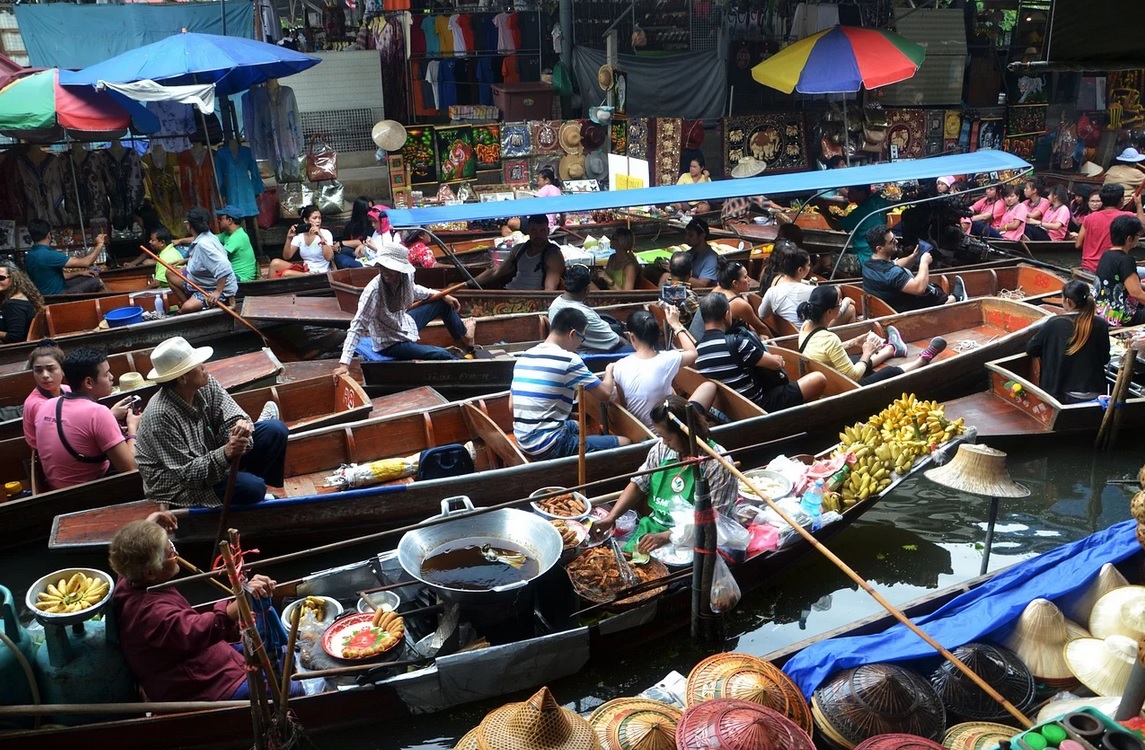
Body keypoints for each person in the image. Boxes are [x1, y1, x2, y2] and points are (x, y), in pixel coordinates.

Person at [109, 513, 295, 702]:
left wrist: (150, 525)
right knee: (291, 691)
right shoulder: (151, 615)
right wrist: (232, 610)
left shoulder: (129, 578)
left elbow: (136, 549)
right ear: (150, 572)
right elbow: (194, 630)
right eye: (170, 552)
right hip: (200, 683)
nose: (176, 553)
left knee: (282, 653)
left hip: (204, 657)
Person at [135, 336, 288, 507]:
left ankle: (252, 489)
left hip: (210, 455)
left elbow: (233, 415)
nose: (204, 367)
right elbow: (187, 475)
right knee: (252, 488)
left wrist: (238, 428)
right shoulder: (160, 416)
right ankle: (250, 491)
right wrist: (227, 452)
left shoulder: (206, 384)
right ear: (182, 378)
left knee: (275, 430)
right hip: (179, 484)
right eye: (198, 366)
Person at [590, 396, 737, 553]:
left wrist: (667, 536)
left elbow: (713, 521)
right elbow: (639, 484)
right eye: (661, 437)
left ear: (685, 433)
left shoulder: (717, 464)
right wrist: (611, 517)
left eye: (667, 438)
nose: (664, 442)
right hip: (656, 525)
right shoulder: (662, 450)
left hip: (697, 537)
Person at [509, 307, 630, 460]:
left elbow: (511, 407)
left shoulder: (524, 356)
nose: (580, 344)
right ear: (573, 334)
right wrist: (609, 370)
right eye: (582, 338)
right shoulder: (568, 360)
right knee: (626, 442)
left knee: (578, 425)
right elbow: (605, 394)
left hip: (523, 440)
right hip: (549, 445)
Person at [335, 243, 475, 366]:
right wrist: (344, 364)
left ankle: (463, 340)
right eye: (382, 267)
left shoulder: (406, 276)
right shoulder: (373, 292)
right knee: (442, 354)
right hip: (390, 343)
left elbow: (413, 289)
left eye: (389, 267)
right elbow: (357, 326)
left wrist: (442, 294)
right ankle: (465, 365)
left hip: (405, 323)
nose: (385, 272)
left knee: (442, 303)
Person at [694, 293, 826, 412]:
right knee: (818, 379)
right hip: (759, 405)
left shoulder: (698, 350)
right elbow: (776, 364)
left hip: (731, 409)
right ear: (727, 314)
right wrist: (778, 358)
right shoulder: (737, 343)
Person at [796, 285, 946, 386]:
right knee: (889, 372)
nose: (841, 305)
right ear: (829, 312)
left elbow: (822, 351)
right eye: (839, 303)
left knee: (854, 359)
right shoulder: (829, 339)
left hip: (826, 375)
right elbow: (854, 376)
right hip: (839, 387)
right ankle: (922, 360)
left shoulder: (806, 326)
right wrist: (867, 352)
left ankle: (890, 350)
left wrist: (852, 342)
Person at [34, 347, 139, 490]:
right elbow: (130, 470)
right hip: (89, 493)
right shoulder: (98, 413)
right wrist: (133, 427)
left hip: (56, 490)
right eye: (106, 374)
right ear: (88, 382)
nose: (111, 377)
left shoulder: (46, 406)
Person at [611, 308, 714, 429]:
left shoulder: (619, 365)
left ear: (631, 337)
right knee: (709, 387)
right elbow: (693, 352)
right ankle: (697, 427)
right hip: (670, 429)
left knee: (671, 391)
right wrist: (676, 324)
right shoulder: (667, 359)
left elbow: (625, 404)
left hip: (642, 432)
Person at [1026, 280, 1110, 403]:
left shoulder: (1054, 323)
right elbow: (1105, 359)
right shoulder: (1101, 324)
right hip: (1095, 391)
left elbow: (1031, 349)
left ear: (1068, 301)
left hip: (1063, 395)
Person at [862, 225, 964, 312]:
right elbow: (919, 288)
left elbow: (895, 264)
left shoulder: (869, 265)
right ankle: (956, 299)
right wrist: (924, 263)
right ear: (879, 248)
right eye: (892, 242)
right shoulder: (891, 273)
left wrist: (913, 257)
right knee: (929, 291)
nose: (896, 241)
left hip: (885, 308)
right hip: (902, 311)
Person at [757, 242, 853, 331]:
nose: (810, 268)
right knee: (850, 309)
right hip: (809, 336)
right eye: (807, 265)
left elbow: (762, 314)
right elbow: (833, 314)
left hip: (792, 334)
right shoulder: (812, 292)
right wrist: (846, 301)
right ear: (799, 270)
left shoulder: (772, 290)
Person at [169, 207, 239, 314]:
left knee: (186, 308)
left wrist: (217, 291)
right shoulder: (206, 236)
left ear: (189, 225)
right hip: (200, 281)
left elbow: (224, 265)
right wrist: (185, 260)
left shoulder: (203, 244)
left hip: (215, 288)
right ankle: (189, 301)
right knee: (170, 273)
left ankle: (188, 309)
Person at [548, 265, 630, 353]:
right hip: (590, 354)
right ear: (587, 289)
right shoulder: (585, 315)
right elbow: (616, 341)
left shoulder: (554, 304)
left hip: (574, 347)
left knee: (611, 323)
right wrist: (630, 345)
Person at [472, 214, 564, 291]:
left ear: (547, 231)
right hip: (510, 291)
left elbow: (549, 290)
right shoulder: (519, 249)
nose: (538, 235)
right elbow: (496, 272)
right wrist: (468, 283)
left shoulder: (553, 256)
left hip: (531, 299)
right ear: (529, 231)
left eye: (542, 231)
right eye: (534, 231)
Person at [23, 218, 107, 296]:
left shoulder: (30, 256)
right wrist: (99, 244)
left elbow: (55, 276)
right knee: (98, 281)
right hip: (59, 296)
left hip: (47, 295)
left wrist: (79, 273)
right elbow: (86, 262)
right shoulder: (48, 255)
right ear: (49, 235)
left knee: (87, 277)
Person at [1093, 215, 1145, 328]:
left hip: (1101, 311)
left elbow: (1124, 283)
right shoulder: (1126, 260)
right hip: (1120, 315)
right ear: (1129, 239)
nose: (1139, 238)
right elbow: (1136, 293)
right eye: (1138, 235)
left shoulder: (1106, 254)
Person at [1077, 184, 1137, 272]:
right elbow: (1142, 227)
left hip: (1088, 266)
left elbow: (1078, 244)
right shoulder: (1127, 216)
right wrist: (1138, 205)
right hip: (1111, 267)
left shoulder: (1089, 217)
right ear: (1121, 200)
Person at [829, 184, 889, 267]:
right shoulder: (878, 201)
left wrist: (824, 213)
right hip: (879, 254)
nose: (848, 193)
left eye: (852, 191)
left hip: (865, 257)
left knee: (826, 261)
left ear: (862, 193)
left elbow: (836, 226)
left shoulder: (859, 212)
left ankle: (857, 278)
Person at [22, 340, 69, 449]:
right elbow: (61, 436)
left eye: (51, 369)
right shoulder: (37, 405)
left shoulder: (68, 390)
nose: (45, 375)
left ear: (63, 370)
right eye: (38, 371)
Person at [270, 205, 334, 278]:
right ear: (306, 220)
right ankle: (268, 288)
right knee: (274, 263)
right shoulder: (300, 236)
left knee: (287, 274)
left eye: (319, 218)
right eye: (314, 218)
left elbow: (329, 258)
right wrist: (289, 238)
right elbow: (287, 256)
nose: (318, 221)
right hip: (306, 269)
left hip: (320, 272)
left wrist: (321, 237)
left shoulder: (326, 233)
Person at [711, 261, 771, 339]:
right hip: (727, 342)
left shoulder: (717, 289)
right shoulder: (739, 304)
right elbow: (761, 328)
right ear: (735, 283)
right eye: (745, 277)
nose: (749, 279)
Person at [0, 262, 44, 344]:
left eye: (1, 278)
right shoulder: (21, 296)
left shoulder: (13, 305)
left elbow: (15, 337)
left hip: (13, 352)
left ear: (13, 279)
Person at [659, 251, 701, 331]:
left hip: (670, 332)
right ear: (690, 273)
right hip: (683, 335)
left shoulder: (664, 288)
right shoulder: (689, 297)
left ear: (670, 270)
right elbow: (701, 317)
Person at [216, 206, 259, 282]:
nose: (219, 221)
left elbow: (219, 256)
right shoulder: (227, 234)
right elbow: (209, 238)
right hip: (234, 275)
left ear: (229, 220)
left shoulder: (238, 237)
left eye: (221, 219)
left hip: (241, 277)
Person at [334, 196, 372, 269]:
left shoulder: (371, 225)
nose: (371, 212)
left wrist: (341, 243)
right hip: (354, 255)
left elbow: (362, 242)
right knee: (340, 254)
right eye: (369, 209)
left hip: (366, 254)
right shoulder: (351, 226)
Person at [684, 218, 720, 288]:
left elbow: (702, 284)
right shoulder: (690, 253)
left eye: (691, 235)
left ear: (702, 236)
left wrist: (678, 275)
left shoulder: (712, 259)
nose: (686, 238)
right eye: (686, 234)